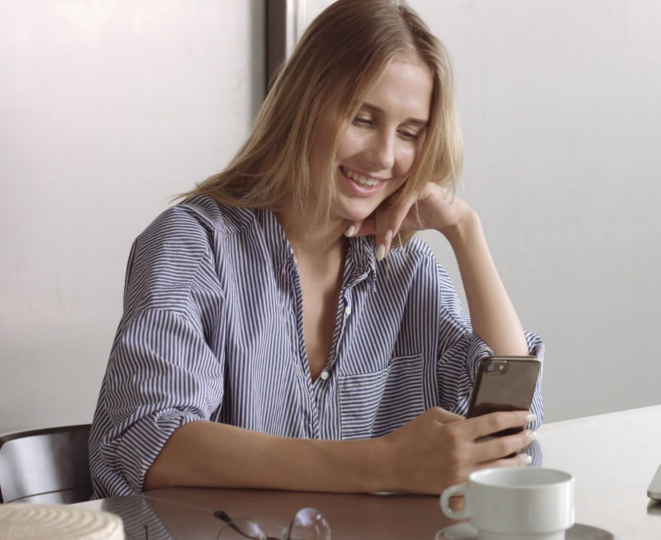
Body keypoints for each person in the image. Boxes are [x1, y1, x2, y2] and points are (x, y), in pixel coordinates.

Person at [88, 0, 543, 499]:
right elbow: (151, 442)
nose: (384, 156)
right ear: (304, 105)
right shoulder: (193, 244)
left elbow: (510, 429)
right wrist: (383, 464)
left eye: (409, 133)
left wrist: (464, 230)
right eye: (363, 119)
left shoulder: (407, 268)